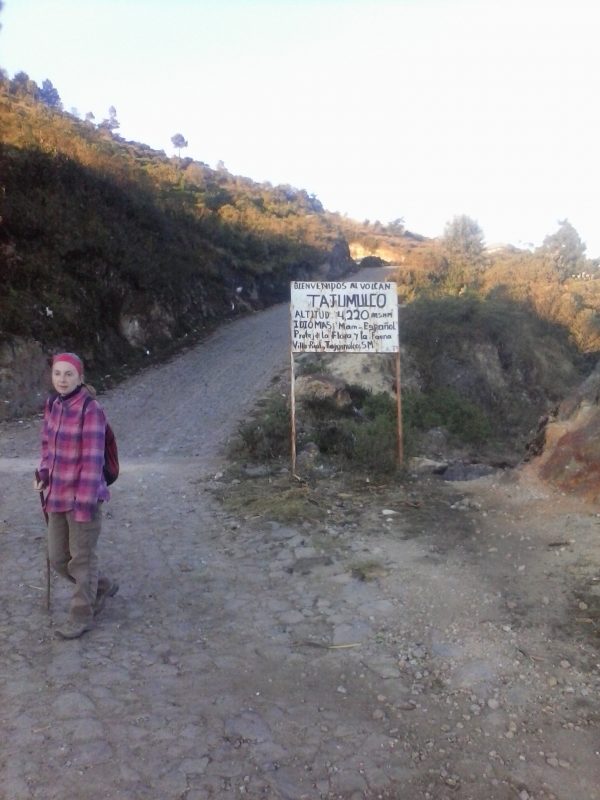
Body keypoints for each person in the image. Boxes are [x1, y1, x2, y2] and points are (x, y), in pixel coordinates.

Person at [34, 352, 118, 639]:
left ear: (80, 378)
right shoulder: (52, 405)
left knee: (81, 559)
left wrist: (83, 506)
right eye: (58, 373)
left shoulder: (90, 409)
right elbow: (47, 446)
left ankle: (81, 614)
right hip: (57, 494)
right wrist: (44, 472)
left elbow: (93, 460)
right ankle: (101, 586)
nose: (62, 379)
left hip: (83, 497)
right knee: (58, 557)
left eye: (69, 374)